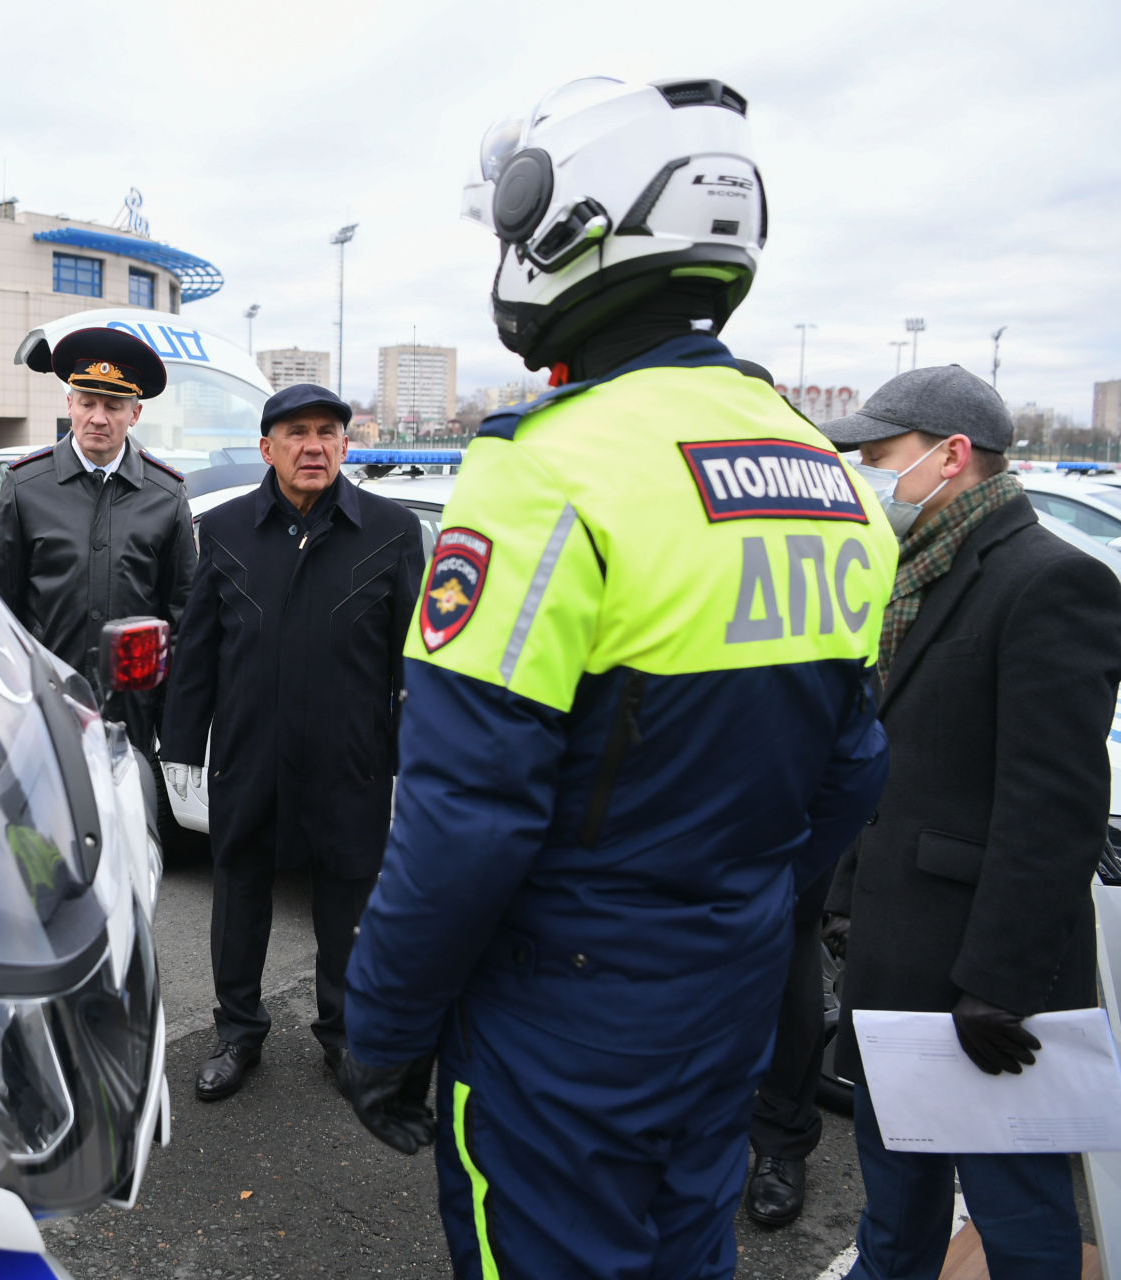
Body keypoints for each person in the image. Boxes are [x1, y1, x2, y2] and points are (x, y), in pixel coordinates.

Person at [338, 76, 899, 1279]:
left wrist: (381, 1026)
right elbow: (852, 769)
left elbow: (465, 814)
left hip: (566, 1013)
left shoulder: (545, 473)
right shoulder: (830, 475)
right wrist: (727, 907)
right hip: (729, 989)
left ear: (567, 223)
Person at [820, 366, 1121, 1280]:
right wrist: (844, 897)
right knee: (895, 1208)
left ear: (952, 456)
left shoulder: (1048, 582)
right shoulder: (910, 573)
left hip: (978, 990)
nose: (871, 478)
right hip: (892, 962)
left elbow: (1054, 802)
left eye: (880, 458)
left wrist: (999, 983)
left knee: (1017, 1219)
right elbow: (888, 757)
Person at [159, 383, 425, 1101]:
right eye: (298, 432)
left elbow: (416, 656)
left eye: (328, 433)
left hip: (353, 759)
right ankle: (237, 1034)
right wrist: (181, 750)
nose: (314, 446)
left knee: (347, 899)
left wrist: (413, 756)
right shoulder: (225, 530)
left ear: (345, 444)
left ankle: (343, 1037)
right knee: (239, 892)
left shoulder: (392, 530)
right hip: (249, 754)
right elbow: (198, 650)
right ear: (267, 447)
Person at [0, 326, 194, 750]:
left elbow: (181, 616)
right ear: (69, 405)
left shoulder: (167, 496)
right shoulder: (26, 486)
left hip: (132, 716)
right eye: (87, 402)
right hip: (44, 707)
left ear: (134, 414)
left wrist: (172, 726)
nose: (98, 417)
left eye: (114, 405)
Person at [736, 355, 836, 1229]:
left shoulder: (826, 527)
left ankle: (780, 1147)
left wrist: (810, 851)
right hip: (686, 830)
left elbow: (859, 716)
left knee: (790, 1007)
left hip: (792, 827)